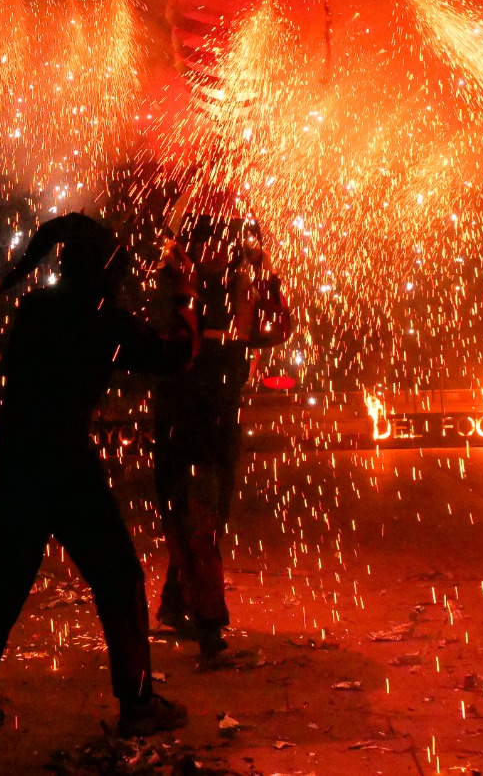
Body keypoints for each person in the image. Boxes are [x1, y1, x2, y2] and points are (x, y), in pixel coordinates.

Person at [0, 213, 198, 743]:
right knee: (119, 579)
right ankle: (139, 707)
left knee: (2, 586)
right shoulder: (104, 317)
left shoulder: (35, 308)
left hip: (16, 460)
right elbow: (175, 357)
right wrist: (186, 296)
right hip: (66, 464)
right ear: (103, 268)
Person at [151, 219, 291, 658]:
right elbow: (173, 345)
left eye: (223, 247)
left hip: (219, 426)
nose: (217, 254)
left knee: (206, 521)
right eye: (207, 245)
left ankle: (177, 604)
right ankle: (208, 627)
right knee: (195, 522)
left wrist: (269, 278)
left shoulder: (238, 292)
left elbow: (276, 331)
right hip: (183, 423)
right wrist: (180, 283)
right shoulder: (180, 288)